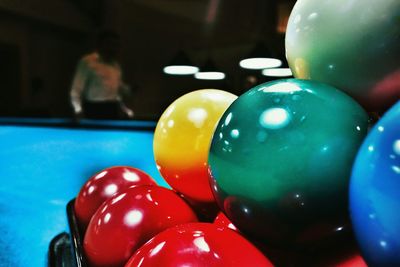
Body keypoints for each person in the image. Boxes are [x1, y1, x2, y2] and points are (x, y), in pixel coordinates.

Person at [70, 30, 134, 120]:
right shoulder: (88, 62)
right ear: (100, 45)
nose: (113, 48)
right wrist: (78, 110)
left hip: (112, 109)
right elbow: (76, 89)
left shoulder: (116, 66)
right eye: (110, 44)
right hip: (93, 108)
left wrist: (128, 91)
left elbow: (116, 88)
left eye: (116, 45)